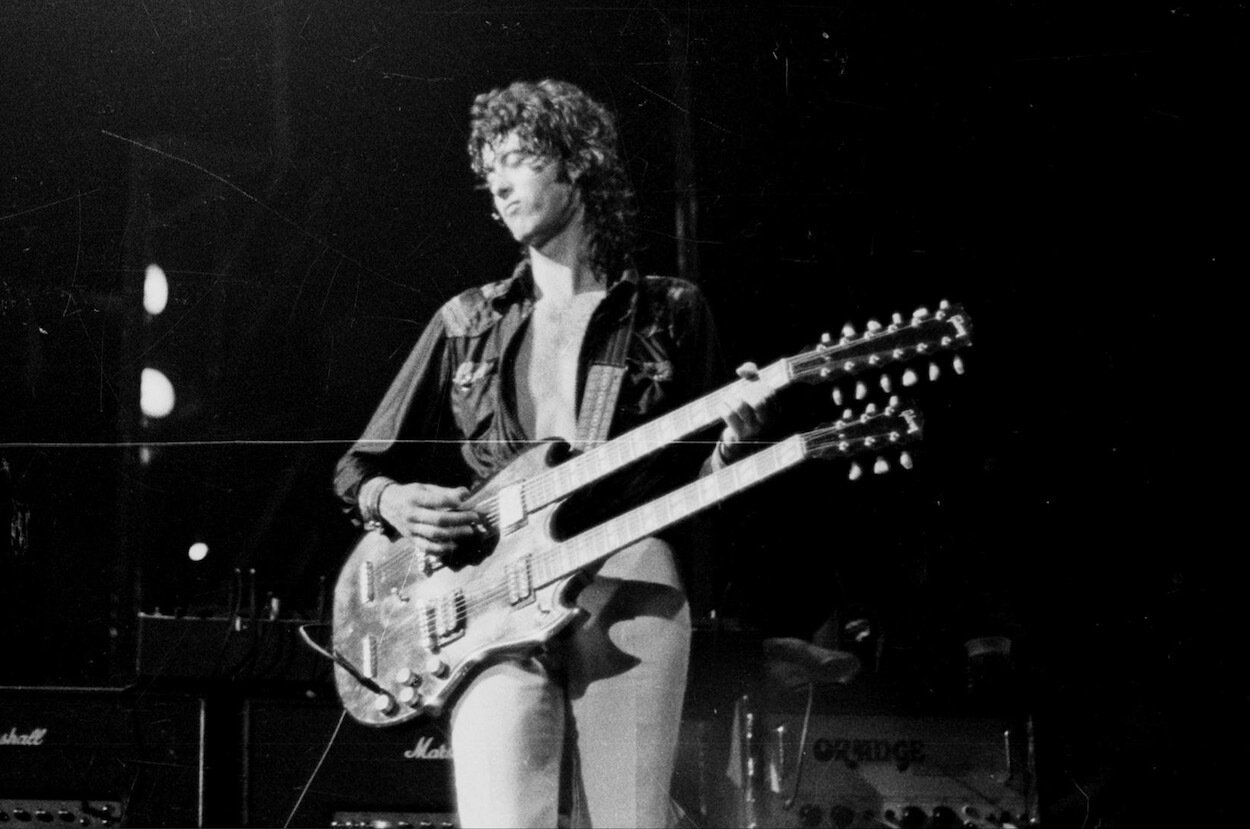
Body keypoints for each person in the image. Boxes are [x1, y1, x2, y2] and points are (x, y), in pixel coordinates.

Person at [334, 78, 771, 828]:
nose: (498, 184)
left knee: (629, 820)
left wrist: (739, 444)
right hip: (491, 596)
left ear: (577, 164)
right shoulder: (467, 320)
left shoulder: (670, 311)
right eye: (490, 168)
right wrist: (395, 502)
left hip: (628, 579)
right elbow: (357, 468)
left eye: (518, 159)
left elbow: (701, 485)